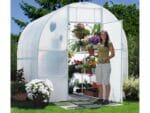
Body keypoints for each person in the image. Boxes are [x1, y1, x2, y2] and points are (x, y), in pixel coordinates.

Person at [94, 31, 115, 105]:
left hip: (106, 64)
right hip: (99, 64)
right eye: (101, 34)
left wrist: (107, 58)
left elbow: (113, 54)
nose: (103, 36)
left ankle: (106, 99)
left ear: (106, 35)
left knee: (106, 82)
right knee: (99, 82)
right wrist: (94, 55)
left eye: (104, 34)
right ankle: (100, 98)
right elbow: (98, 54)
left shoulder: (109, 43)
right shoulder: (99, 44)